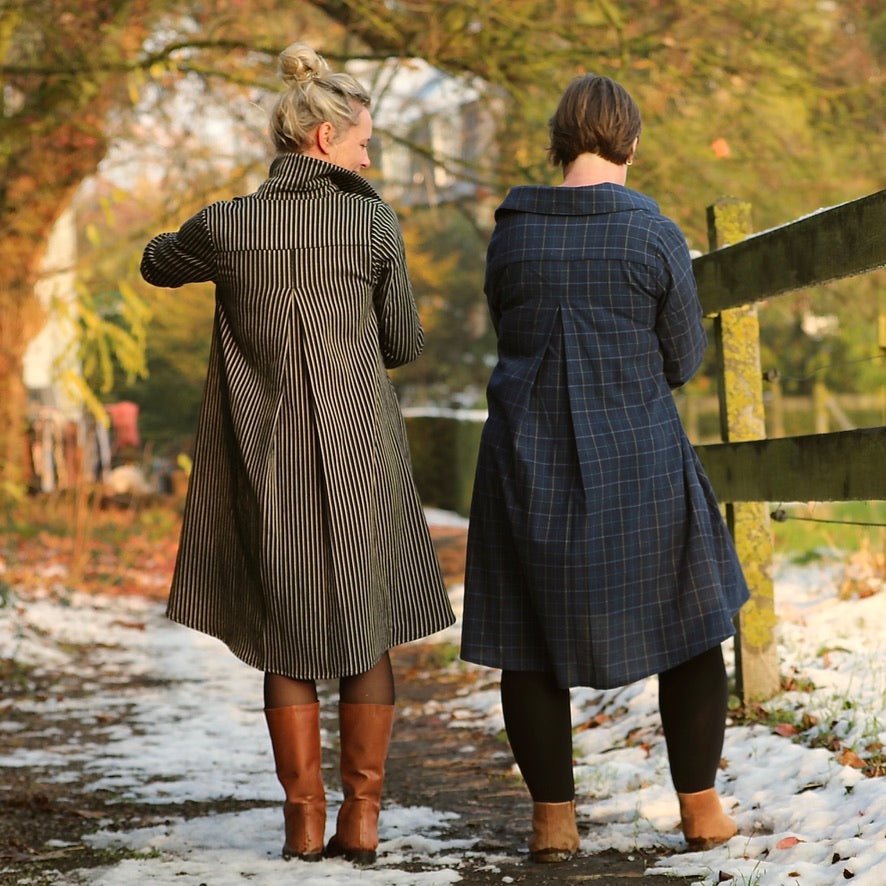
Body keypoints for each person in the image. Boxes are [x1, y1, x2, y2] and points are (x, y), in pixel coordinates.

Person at [140, 42, 455, 866]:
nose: (369, 158)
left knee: (284, 630)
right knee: (366, 625)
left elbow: (154, 263)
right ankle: (363, 817)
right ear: (325, 137)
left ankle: (303, 822)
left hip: (264, 451)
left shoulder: (224, 226)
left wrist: (196, 242)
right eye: (364, 143)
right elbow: (403, 342)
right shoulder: (372, 221)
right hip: (360, 449)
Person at [461, 74, 750, 862]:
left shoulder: (511, 235)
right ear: (632, 142)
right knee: (692, 627)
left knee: (528, 641)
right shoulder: (652, 235)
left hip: (525, 456)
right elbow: (683, 358)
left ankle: (553, 822)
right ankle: (701, 811)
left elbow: (507, 330)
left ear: (558, 142)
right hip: (638, 453)